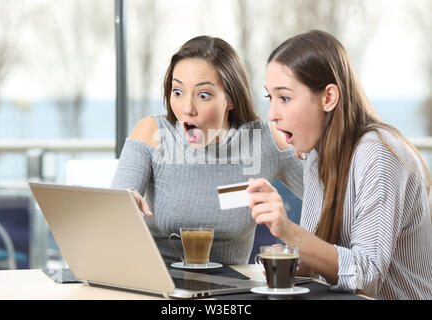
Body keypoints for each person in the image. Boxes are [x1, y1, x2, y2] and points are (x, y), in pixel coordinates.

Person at [247, 29, 432, 299]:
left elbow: (367, 276)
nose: (272, 114)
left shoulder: (379, 153)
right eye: (270, 98)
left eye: (284, 98)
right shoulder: (316, 154)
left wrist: (291, 233)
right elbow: (329, 259)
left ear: (328, 98)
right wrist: (299, 261)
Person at [111, 35, 304, 265]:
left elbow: (329, 200)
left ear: (230, 98)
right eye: (178, 92)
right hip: (158, 283)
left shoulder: (267, 141)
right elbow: (114, 214)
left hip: (233, 289)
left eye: (203, 95)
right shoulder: (152, 132)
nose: (187, 109)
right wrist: (124, 204)